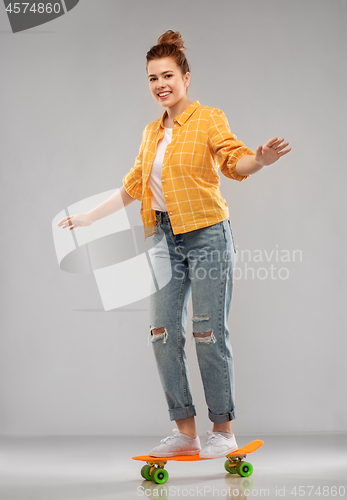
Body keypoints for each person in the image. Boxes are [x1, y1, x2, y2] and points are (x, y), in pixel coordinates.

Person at [57, 30, 291, 459]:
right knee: (162, 333)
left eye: (167, 75)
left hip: (207, 236)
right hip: (163, 238)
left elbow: (232, 159)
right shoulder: (150, 132)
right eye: (152, 78)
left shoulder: (208, 118)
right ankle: (185, 432)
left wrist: (260, 160)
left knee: (207, 332)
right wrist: (89, 217)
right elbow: (133, 185)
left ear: (186, 77)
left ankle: (223, 430)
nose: (160, 84)